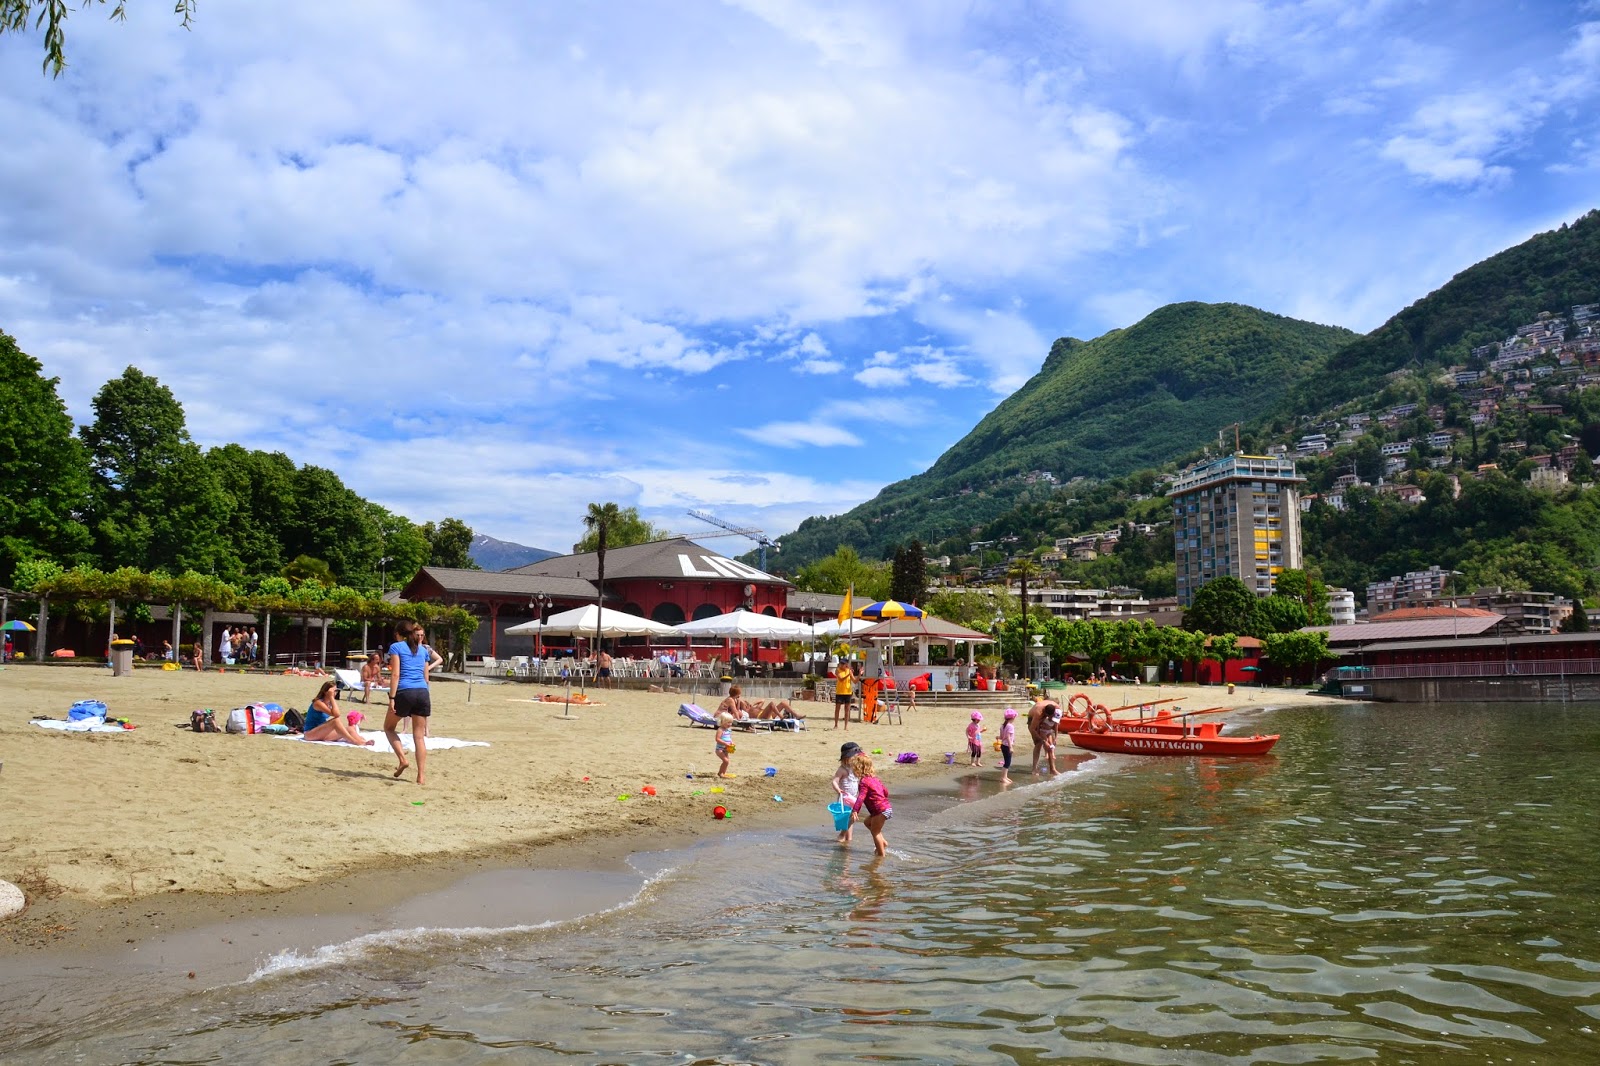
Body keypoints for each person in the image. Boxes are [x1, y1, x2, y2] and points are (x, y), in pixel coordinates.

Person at [386, 621, 442, 785]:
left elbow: (395, 675)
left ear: (398, 634)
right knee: (419, 737)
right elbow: (426, 676)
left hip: (405, 691)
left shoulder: (396, 647)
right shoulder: (423, 650)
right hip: (422, 692)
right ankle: (421, 776)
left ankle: (403, 759)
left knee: (388, 728)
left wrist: (391, 698)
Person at [303, 679, 375, 746]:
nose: (335, 693)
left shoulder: (328, 703)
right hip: (310, 733)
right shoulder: (318, 703)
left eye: (336, 691)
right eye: (334, 691)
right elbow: (336, 715)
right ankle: (354, 741)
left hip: (320, 732)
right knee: (336, 721)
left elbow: (337, 713)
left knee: (350, 729)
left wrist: (331, 699)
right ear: (326, 692)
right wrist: (331, 697)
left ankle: (363, 741)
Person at [848, 752, 892, 857]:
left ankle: (881, 855)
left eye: (853, 768)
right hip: (886, 808)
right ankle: (883, 842)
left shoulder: (864, 782)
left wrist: (855, 810)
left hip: (879, 810)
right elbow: (886, 792)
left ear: (859, 769)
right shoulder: (875, 779)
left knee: (875, 832)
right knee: (867, 822)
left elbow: (861, 797)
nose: (852, 770)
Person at [832, 741, 862, 845]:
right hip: (844, 798)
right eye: (854, 757)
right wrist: (838, 789)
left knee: (852, 817)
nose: (856, 759)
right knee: (849, 818)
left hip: (854, 797)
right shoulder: (842, 769)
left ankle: (848, 838)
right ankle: (842, 835)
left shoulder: (855, 768)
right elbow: (834, 781)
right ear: (846, 758)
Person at [1028, 698, 1060, 776]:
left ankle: (1053, 769)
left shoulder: (1057, 709)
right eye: (1049, 717)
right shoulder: (1038, 713)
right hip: (1033, 720)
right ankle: (1034, 768)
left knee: (1050, 745)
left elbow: (1056, 725)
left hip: (1044, 718)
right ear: (1045, 714)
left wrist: (1055, 737)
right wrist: (1043, 741)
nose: (1050, 718)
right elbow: (1032, 729)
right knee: (1038, 743)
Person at [833, 660, 855, 730]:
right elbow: (841, 679)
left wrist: (859, 674)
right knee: (837, 709)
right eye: (841, 664)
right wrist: (848, 674)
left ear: (846, 664)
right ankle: (836, 725)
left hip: (848, 692)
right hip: (839, 692)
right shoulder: (837, 670)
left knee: (847, 710)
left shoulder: (849, 670)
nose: (841, 665)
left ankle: (846, 726)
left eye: (843, 664)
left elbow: (855, 681)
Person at [715, 709, 736, 778]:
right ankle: (720, 773)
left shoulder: (728, 730)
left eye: (731, 722)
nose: (730, 724)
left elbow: (729, 738)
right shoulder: (720, 730)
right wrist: (725, 743)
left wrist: (731, 742)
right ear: (722, 722)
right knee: (725, 761)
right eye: (728, 722)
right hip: (720, 749)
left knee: (727, 761)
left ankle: (723, 773)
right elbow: (717, 739)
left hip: (726, 749)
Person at [999, 708, 1018, 785]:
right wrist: (1011, 747)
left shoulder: (1002, 726)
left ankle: (1005, 776)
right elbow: (1008, 737)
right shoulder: (1010, 726)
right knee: (1007, 763)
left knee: (1007, 761)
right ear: (1012, 718)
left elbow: (1001, 737)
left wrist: (998, 737)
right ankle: (1003, 778)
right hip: (1007, 746)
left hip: (1003, 745)